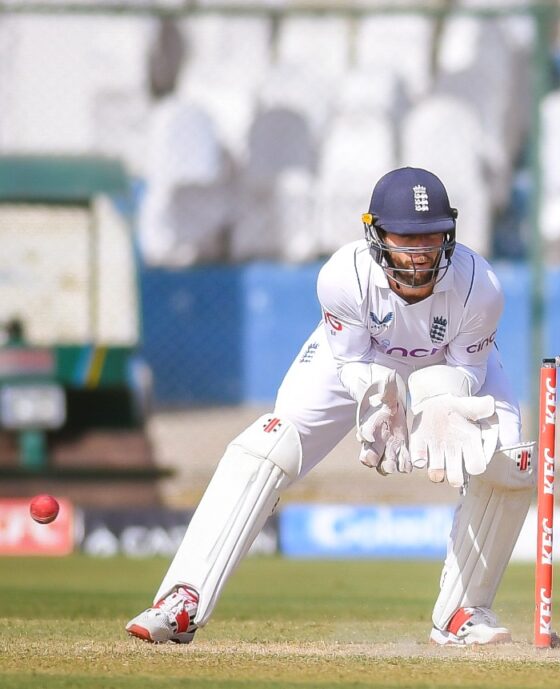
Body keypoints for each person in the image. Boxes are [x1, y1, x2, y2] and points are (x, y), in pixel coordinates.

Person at [125, 167, 535, 646]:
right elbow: (349, 360)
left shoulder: (479, 285)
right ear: (377, 234)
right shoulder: (344, 276)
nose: (420, 253)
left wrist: (440, 397)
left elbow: (468, 370)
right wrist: (377, 393)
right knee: (269, 443)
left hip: (445, 365)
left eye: (433, 237)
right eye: (406, 238)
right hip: (359, 363)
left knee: (510, 458)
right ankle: (181, 599)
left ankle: (465, 612)